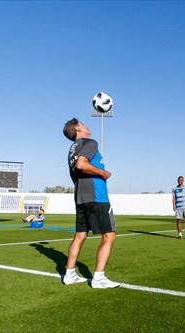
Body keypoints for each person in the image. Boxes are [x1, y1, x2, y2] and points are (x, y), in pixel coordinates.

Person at [61, 118, 119, 288]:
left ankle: (69, 274)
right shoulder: (90, 143)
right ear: (78, 129)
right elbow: (82, 165)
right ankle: (99, 278)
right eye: (84, 124)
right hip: (96, 197)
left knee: (80, 235)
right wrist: (103, 173)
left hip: (80, 197)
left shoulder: (72, 149)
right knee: (109, 235)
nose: (87, 126)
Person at [172, 176, 185, 240]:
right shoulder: (174, 189)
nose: (180, 181)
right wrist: (173, 205)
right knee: (178, 221)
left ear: (183, 181)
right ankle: (180, 235)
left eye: (181, 180)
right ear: (177, 181)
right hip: (178, 207)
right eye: (179, 180)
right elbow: (174, 198)